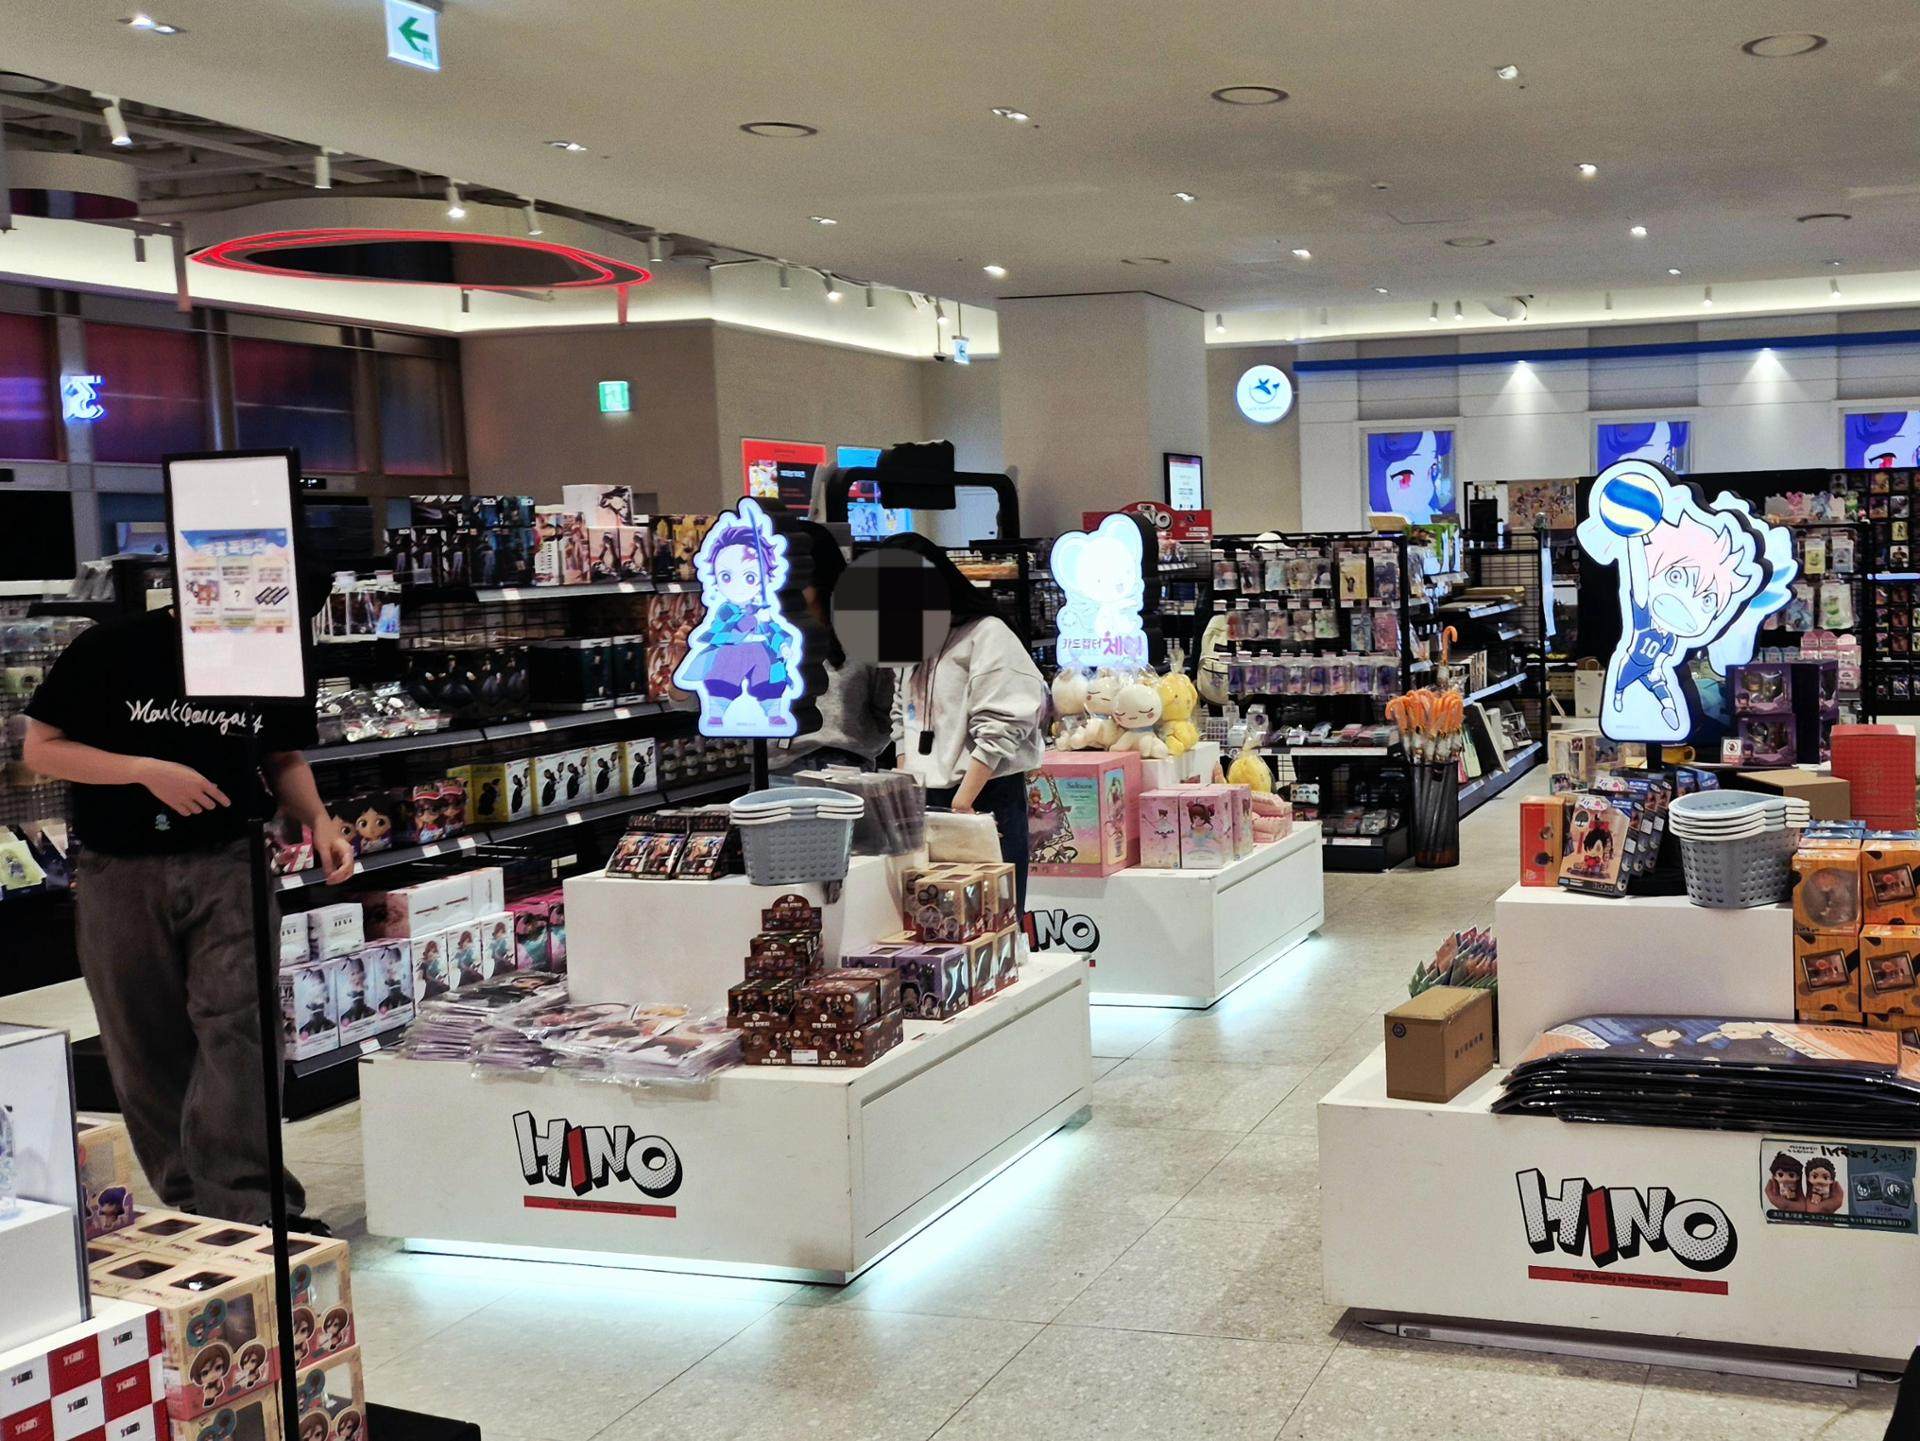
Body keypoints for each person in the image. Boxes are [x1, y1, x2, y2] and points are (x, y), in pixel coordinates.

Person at [23, 605, 354, 1227]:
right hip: (118, 868)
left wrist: (319, 821)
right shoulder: (113, 646)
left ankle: (253, 1205)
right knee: (143, 1038)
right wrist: (147, 773)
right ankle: (194, 1201)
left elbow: (280, 756)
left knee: (241, 1030)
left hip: (231, 860)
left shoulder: (273, 656)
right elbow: (42, 749)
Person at [884, 534, 1048, 906]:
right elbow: (901, 716)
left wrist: (962, 804)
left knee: (992, 914)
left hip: (982, 794)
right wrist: (909, 785)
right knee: (932, 916)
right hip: (927, 797)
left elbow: (1004, 722)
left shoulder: (986, 634)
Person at [775, 522, 894, 772]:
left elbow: (890, 715)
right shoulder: (761, 633)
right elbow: (695, 704)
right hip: (773, 770)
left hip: (846, 768)